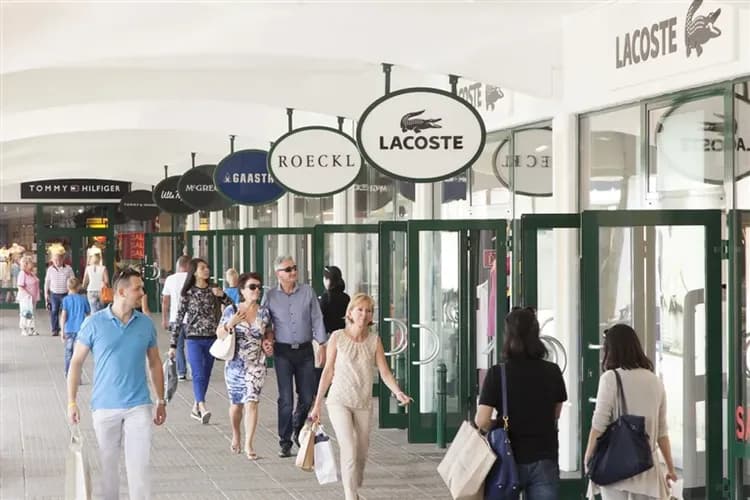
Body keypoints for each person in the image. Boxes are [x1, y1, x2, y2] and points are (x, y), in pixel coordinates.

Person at [67, 268, 167, 500]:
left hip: (138, 405)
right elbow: (76, 362)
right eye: (138, 289)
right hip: (104, 406)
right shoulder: (93, 323)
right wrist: (71, 402)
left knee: (140, 468)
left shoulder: (145, 324)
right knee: (108, 469)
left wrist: (161, 400)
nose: (142, 293)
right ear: (122, 292)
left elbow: (154, 362)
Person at [309, 293, 412, 500]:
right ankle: (350, 495)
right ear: (350, 313)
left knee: (361, 452)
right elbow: (328, 371)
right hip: (339, 400)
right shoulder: (337, 337)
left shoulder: (374, 341)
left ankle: (354, 484)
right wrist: (317, 404)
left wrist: (397, 392)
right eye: (360, 310)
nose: (364, 314)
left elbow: (385, 372)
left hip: (363, 402)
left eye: (369, 311)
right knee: (348, 448)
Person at [475, 306, 568, 500]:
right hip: (544, 456)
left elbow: (481, 421)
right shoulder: (552, 371)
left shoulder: (497, 374)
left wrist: (499, 423)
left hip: (506, 457)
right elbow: (556, 413)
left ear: (508, 336)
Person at [584, 324, 677, 500]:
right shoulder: (655, 381)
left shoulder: (610, 378)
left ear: (611, 350)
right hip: (648, 470)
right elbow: (662, 432)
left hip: (615, 468)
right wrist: (670, 468)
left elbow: (599, 424)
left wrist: (589, 456)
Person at [261, 255, 327, 457]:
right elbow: (264, 323)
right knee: (286, 399)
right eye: (288, 269)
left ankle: (298, 429)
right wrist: (266, 340)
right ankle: (285, 441)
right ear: (278, 274)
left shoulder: (307, 292)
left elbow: (317, 318)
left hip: (305, 351)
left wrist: (322, 344)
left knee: (307, 396)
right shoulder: (270, 296)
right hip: (283, 352)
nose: (293, 272)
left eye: (294, 268)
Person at [216, 272, 273, 460]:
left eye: (259, 287)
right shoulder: (231, 310)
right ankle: (236, 434)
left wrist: (268, 342)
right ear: (242, 290)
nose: (257, 290)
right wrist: (230, 324)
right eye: (252, 287)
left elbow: (268, 332)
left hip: (256, 364)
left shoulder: (264, 312)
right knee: (236, 405)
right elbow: (219, 334)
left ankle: (249, 443)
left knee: (252, 402)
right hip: (235, 364)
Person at [169, 258, 233, 424]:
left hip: (212, 338)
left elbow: (232, 308)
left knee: (205, 374)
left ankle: (196, 406)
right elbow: (178, 318)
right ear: (195, 272)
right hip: (193, 338)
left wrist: (223, 295)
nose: (206, 270)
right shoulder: (188, 293)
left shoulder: (214, 290)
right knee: (197, 373)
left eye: (207, 267)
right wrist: (173, 344)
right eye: (202, 268)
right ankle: (203, 407)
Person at [317, 265, 350, 388]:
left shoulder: (326, 297)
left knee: (328, 364)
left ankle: (327, 387)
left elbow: (319, 318)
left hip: (328, 336)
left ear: (328, 280)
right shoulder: (346, 297)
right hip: (343, 335)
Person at [162, 255, 190, 380]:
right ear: (188, 265)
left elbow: (165, 301)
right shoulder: (192, 278)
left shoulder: (170, 279)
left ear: (178, 265)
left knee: (178, 347)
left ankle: (181, 372)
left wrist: (164, 319)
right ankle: (194, 369)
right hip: (191, 319)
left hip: (175, 318)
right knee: (192, 345)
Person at [60, 277, 90, 376]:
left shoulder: (65, 300)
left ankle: (68, 372)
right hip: (80, 329)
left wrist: (62, 331)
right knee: (78, 355)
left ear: (67, 287)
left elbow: (63, 316)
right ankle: (76, 374)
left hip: (68, 329)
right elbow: (88, 315)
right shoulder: (83, 299)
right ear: (78, 287)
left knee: (68, 352)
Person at [44, 247, 75, 337]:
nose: (57, 262)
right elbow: (47, 282)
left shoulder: (68, 269)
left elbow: (72, 280)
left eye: (59, 260)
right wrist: (46, 294)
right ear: (52, 260)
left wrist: (72, 291)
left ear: (63, 259)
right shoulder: (50, 269)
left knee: (66, 311)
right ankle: (55, 329)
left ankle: (65, 329)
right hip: (54, 294)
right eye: (55, 260)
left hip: (65, 293)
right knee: (54, 311)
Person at [16, 255, 40, 336]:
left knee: (31, 314)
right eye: (31, 262)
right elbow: (20, 286)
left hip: (33, 298)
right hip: (25, 298)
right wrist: (27, 295)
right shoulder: (22, 273)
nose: (32, 264)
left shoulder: (31, 273)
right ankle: (24, 329)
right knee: (25, 313)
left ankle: (31, 329)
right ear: (25, 264)